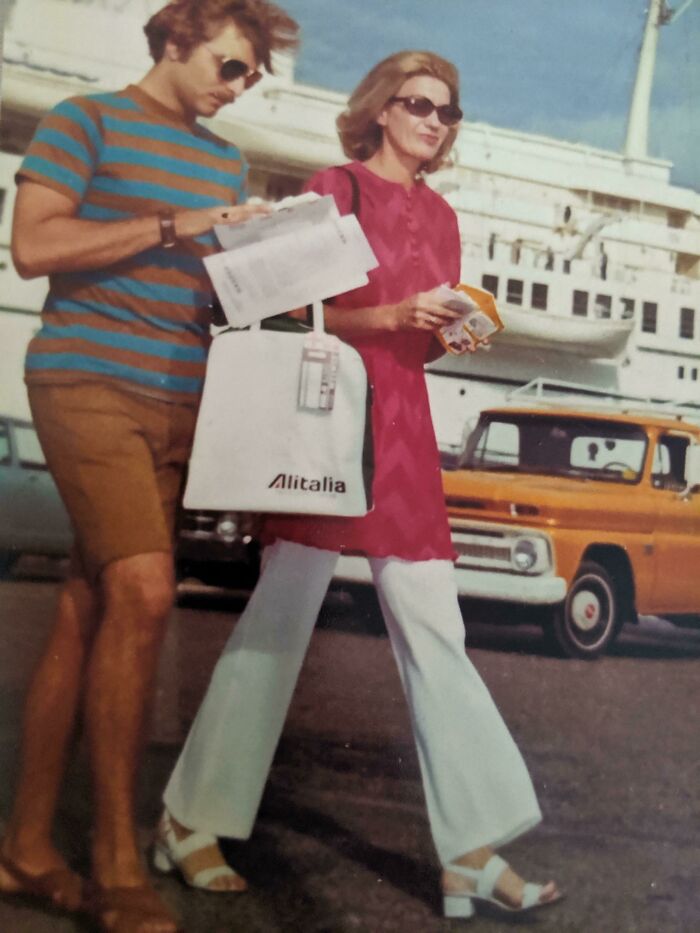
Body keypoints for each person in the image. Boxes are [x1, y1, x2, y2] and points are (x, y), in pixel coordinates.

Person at [158, 50, 562, 920]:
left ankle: (470, 849)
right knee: (278, 622)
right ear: (381, 109)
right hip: (328, 421)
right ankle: (189, 817)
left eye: (448, 111)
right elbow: (274, 311)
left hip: (405, 432)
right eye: (419, 104)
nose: (434, 122)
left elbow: (418, 341)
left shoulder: (442, 216)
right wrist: (387, 315)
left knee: (438, 629)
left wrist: (449, 333)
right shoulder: (333, 190)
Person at [0, 2, 298, 931]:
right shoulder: (83, 121)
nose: (238, 86)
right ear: (175, 40)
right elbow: (34, 247)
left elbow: (207, 295)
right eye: (229, 64)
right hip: (87, 380)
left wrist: (276, 274)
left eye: (251, 75)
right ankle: (117, 859)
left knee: (89, 607)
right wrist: (174, 223)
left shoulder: (224, 164)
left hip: (179, 402)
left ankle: (26, 846)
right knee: (144, 591)